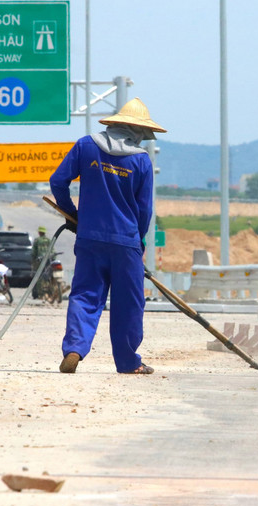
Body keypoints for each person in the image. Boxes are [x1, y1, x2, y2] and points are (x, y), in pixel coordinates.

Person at [49, 97, 166, 375]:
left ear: (114, 124)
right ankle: (128, 363)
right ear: (138, 131)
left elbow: (57, 181)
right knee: (129, 302)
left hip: (89, 238)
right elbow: (144, 210)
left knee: (85, 294)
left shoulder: (86, 145)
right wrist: (139, 244)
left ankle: (75, 349)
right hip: (125, 243)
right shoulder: (141, 161)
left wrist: (71, 214)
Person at [31, 226, 52, 295]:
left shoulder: (37, 240)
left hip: (39, 260)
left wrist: (33, 259)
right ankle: (49, 290)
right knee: (48, 274)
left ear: (39, 232)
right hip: (48, 260)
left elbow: (33, 252)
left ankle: (38, 292)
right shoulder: (48, 240)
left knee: (37, 275)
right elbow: (52, 249)